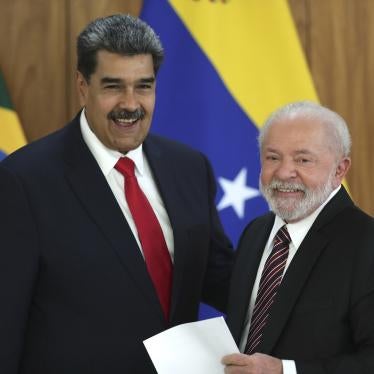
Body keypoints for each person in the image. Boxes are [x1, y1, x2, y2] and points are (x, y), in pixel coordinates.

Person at [0, 14, 233, 373]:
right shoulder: (23, 180)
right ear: (83, 85)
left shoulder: (189, 168)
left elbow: (219, 278)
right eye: (113, 87)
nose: (130, 103)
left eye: (144, 86)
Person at [222, 101, 374, 374]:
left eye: (303, 160)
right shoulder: (256, 232)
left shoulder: (366, 243)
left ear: (340, 169)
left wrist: (285, 371)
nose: (283, 172)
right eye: (272, 158)